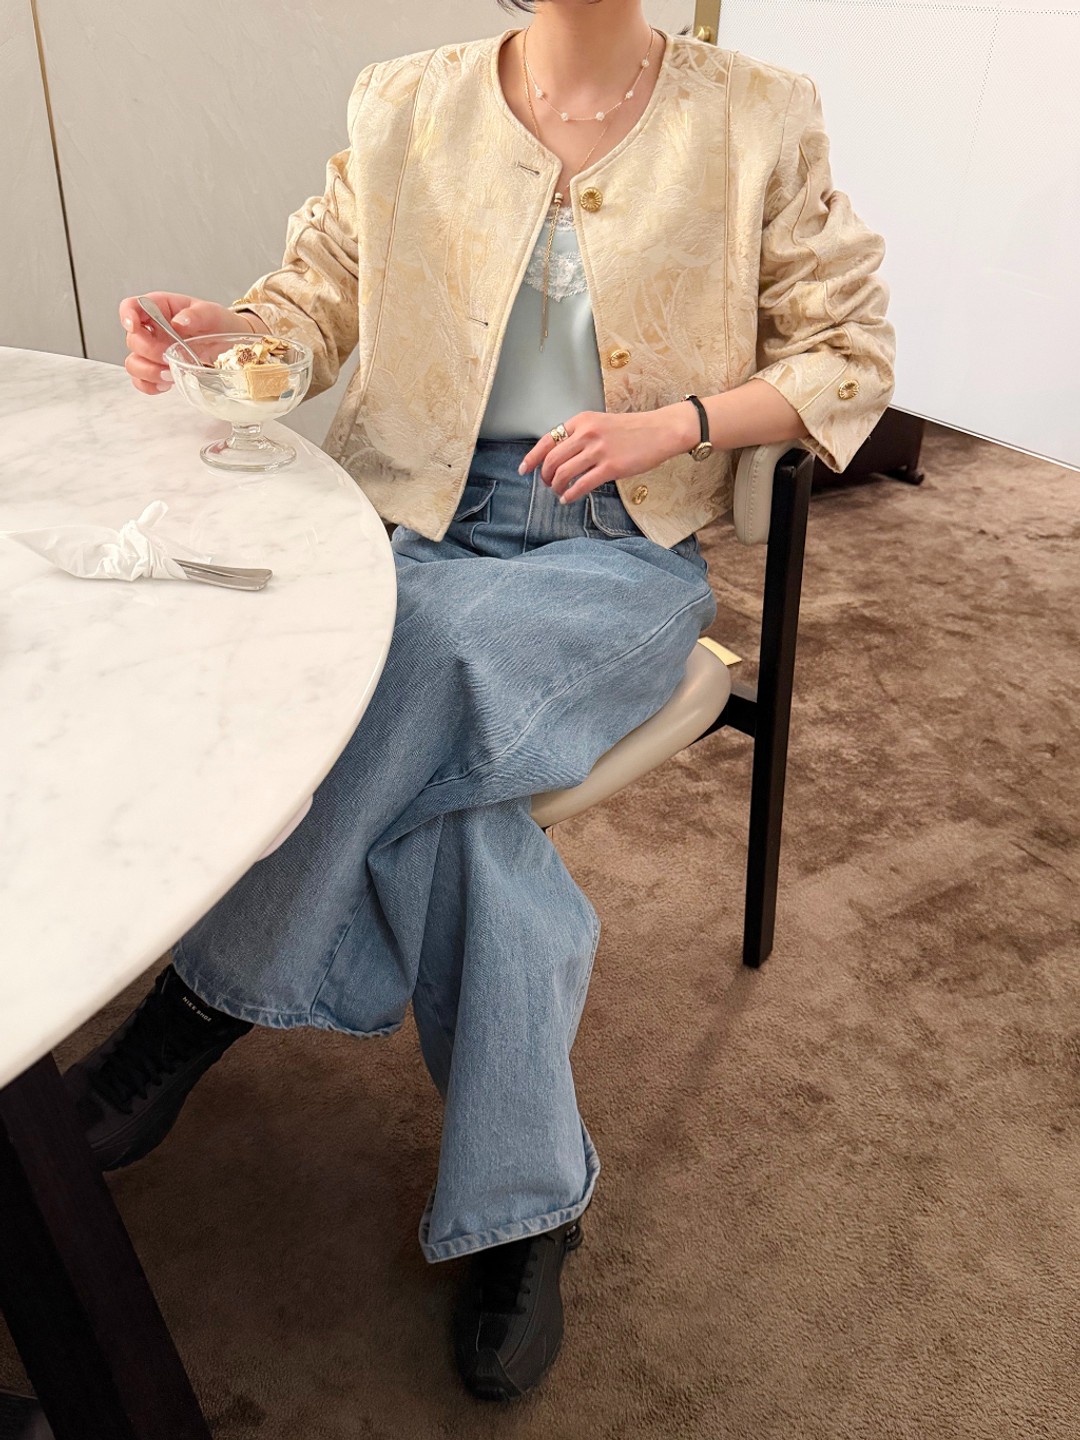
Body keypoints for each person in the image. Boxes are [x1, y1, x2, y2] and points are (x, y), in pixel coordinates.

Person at [65, 0, 896, 1402]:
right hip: (408, 531)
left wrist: (679, 422)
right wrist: (230, 332)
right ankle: (528, 1203)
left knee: (414, 666)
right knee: (459, 821)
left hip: (619, 558)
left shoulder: (759, 111)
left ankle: (200, 1002)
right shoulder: (405, 99)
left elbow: (849, 350)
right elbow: (314, 301)